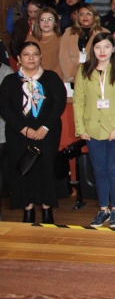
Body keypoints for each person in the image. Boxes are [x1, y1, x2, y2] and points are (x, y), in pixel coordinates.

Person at [0, 42, 66, 223]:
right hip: (18, 134)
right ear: (19, 59)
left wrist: (45, 127)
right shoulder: (10, 81)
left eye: (35, 54)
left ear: (40, 57)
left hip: (47, 133)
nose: (31, 58)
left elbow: (58, 104)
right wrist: (24, 129)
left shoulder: (51, 78)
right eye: (26, 54)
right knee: (23, 171)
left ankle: (47, 209)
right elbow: (4, 108)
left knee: (46, 169)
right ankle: (27, 209)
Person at [73, 32, 115, 228]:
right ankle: (103, 209)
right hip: (92, 128)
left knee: (113, 168)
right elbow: (78, 101)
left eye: (106, 46)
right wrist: (81, 127)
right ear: (93, 50)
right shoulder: (83, 70)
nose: (102, 51)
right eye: (98, 47)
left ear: (113, 48)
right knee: (99, 170)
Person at [58, 3, 103, 84]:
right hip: (71, 78)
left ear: (95, 16)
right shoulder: (68, 32)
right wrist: (72, 75)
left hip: (95, 77)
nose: (85, 17)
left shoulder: (103, 33)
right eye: (81, 14)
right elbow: (63, 56)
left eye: (88, 14)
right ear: (77, 17)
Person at [27, 7, 63, 78]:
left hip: (56, 77)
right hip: (33, 77)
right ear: (38, 22)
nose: (46, 22)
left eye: (50, 19)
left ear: (55, 22)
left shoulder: (61, 39)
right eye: (42, 20)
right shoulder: (31, 39)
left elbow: (64, 62)